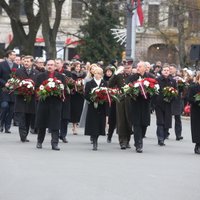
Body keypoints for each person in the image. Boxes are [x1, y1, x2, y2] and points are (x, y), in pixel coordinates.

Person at [35, 60, 66, 151]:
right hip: (44, 103)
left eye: (52, 65)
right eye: (48, 65)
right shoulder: (40, 76)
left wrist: (56, 90)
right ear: (45, 66)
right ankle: (39, 141)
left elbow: (63, 89)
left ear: (55, 66)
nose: (50, 66)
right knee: (42, 123)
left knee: (55, 124)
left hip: (56, 103)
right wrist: (44, 91)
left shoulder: (61, 77)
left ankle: (54, 143)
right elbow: (37, 88)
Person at [128, 61, 155, 153]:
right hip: (135, 104)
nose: (138, 68)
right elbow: (127, 88)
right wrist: (133, 91)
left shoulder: (150, 77)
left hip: (146, 104)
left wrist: (150, 92)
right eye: (137, 66)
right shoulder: (132, 77)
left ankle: (140, 138)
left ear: (145, 68)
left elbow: (155, 89)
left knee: (144, 124)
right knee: (137, 124)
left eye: (140, 66)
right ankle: (138, 144)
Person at [109, 60, 133, 150]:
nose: (127, 69)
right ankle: (122, 141)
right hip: (121, 100)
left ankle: (128, 140)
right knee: (121, 121)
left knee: (129, 120)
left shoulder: (133, 76)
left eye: (129, 68)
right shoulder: (119, 76)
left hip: (131, 100)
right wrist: (115, 73)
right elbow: (110, 84)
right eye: (125, 68)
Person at [14, 55, 39, 142]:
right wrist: (20, 88)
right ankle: (22, 136)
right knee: (22, 117)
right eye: (24, 61)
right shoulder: (18, 71)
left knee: (28, 118)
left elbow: (37, 86)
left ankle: (25, 134)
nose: (26, 63)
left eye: (28, 61)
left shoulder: (36, 72)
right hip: (21, 98)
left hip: (31, 99)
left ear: (32, 62)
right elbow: (14, 83)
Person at [84, 67, 107, 150]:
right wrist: (93, 98)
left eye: (99, 73)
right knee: (93, 124)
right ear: (93, 74)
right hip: (92, 106)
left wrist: (102, 98)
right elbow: (86, 95)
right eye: (96, 73)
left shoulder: (104, 83)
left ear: (101, 75)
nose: (97, 75)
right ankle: (94, 141)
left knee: (99, 124)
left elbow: (107, 94)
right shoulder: (89, 83)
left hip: (101, 107)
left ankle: (96, 139)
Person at [154, 64, 177, 146]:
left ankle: (163, 136)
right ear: (162, 71)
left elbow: (175, 92)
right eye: (165, 70)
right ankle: (160, 139)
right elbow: (154, 92)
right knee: (160, 121)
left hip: (168, 104)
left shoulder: (173, 81)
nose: (166, 71)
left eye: (167, 70)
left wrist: (171, 97)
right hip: (159, 104)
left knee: (166, 122)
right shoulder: (157, 80)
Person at [0, 50, 18, 133]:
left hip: (13, 90)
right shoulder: (2, 64)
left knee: (11, 109)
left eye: (15, 55)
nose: (15, 56)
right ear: (8, 55)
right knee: (4, 106)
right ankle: (1, 124)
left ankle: (7, 127)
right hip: (4, 89)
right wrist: (5, 83)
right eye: (13, 55)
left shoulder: (16, 65)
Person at [55, 58, 72, 143]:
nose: (56, 64)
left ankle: (63, 135)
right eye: (55, 63)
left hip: (66, 97)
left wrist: (70, 86)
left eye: (57, 63)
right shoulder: (53, 73)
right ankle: (55, 133)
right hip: (55, 97)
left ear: (62, 64)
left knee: (64, 118)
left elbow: (72, 84)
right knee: (56, 116)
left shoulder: (68, 73)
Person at [70, 61, 86, 135]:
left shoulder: (83, 74)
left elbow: (85, 83)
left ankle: (76, 125)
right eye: (76, 66)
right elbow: (70, 83)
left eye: (79, 67)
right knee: (74, 110)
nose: (78, 68)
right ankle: (74, 126)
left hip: (80, 95)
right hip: (74, 94)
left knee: (79, 110)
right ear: (74, 67)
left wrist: (82, 85)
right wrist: (74, 84)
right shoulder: (71, 74)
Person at [169, 64, 183, 141]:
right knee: (167, 117)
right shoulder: (168, 77)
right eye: (169, 68)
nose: (170, 70)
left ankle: (178, 134)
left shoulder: (179, 78)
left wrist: (181, 84)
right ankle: (166, 132)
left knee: (178, 118)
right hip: (170, 99)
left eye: (172, 69)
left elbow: (183, 88)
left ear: (175, 69)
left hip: (177, 100)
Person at [187, 72, 200, 154]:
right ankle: (197, 145)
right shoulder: (193, 87)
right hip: (196, 110)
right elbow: (189, 98)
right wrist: (197, 100)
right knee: (197, 128)